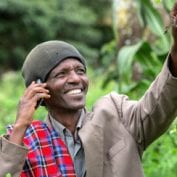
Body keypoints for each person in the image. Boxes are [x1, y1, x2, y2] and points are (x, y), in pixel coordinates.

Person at [1, 3, 177, 177]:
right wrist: (20, 125)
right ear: (40, 89)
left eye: (80, 71)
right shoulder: (24, 139)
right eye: (61, 74)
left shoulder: (116, 116)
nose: (76, 79)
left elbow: (159, 104)